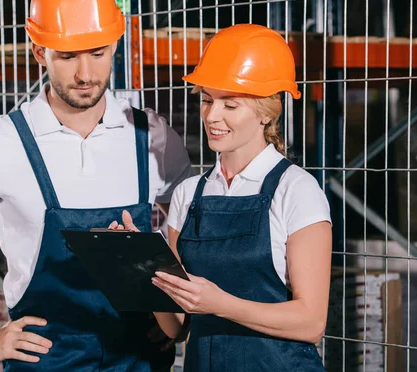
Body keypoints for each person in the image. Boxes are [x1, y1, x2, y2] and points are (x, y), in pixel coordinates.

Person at [0, 0, 191, 370]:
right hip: (45, 360)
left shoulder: (154, 137)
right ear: (39, 51)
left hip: (139, 358)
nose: (85, 74)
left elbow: (190, 237)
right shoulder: (0, 143)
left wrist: (172, 317)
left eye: (97, 53)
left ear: (115, 42)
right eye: (67, 56)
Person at [117, 23, 332, 371]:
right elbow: (176, 327)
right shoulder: (188, 195)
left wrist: (220, 304)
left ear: (266, 113)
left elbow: (311, 323)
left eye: (230, 105)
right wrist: (141, 265)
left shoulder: (297, 191)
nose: (211, 116)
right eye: (206, 100)